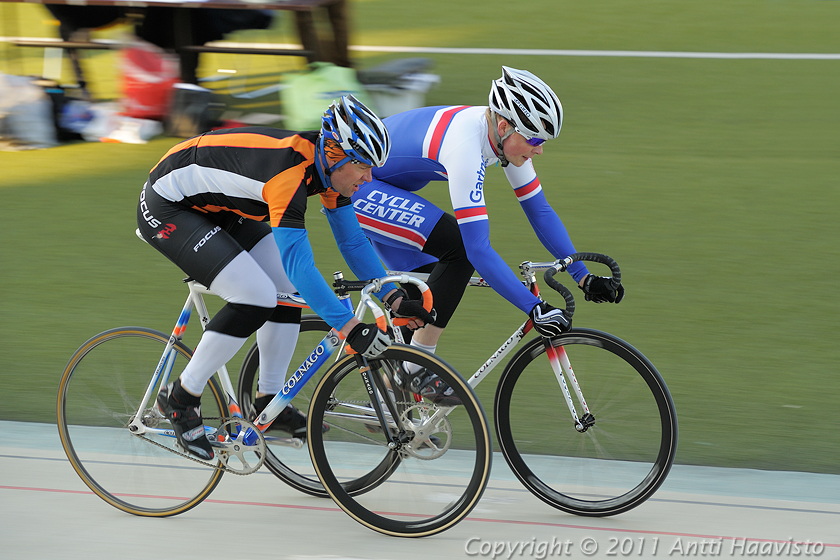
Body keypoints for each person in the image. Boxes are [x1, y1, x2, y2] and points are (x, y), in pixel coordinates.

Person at [136, 95, 434, 460]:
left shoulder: (326, 167)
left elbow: (353, 242)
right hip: (170, 205)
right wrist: (349, 327)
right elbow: (301, 263)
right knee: (256, 295)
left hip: (218, 205)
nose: (369, 178)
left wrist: (393, 297)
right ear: (337, 155)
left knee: (286, 291)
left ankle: (267, 401)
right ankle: (181, 396)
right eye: (364, 167)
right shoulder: (289, 176)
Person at [351, 66, 625, 405]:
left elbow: (539, 211)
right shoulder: (465, 145)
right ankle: (416, 370)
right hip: (360, 185)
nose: (538, 150)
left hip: (386, 186)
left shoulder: (506, 141)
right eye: (535, 140)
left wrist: (583, 278)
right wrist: (534, 307)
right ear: (504, 126)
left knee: (422, 298)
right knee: (460, 249)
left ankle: (391, 411)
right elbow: (477, 249)